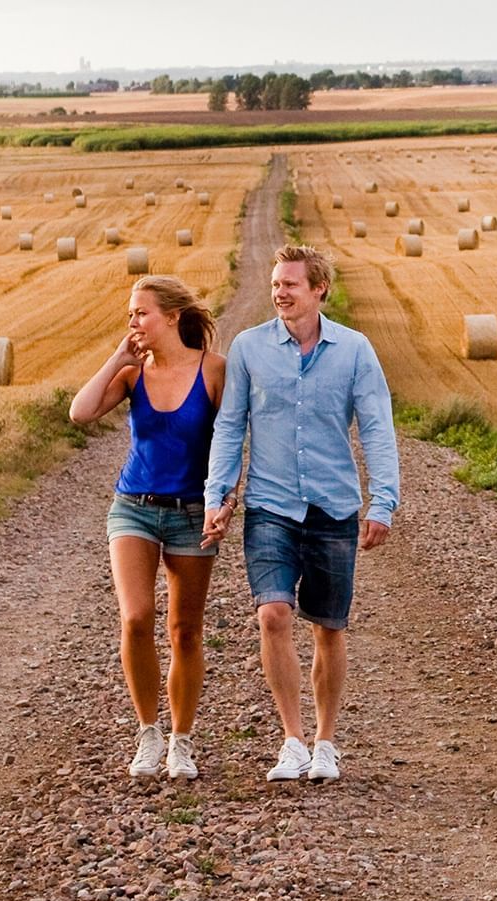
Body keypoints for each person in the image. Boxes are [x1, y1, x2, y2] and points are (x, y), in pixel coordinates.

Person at [202, 245, 399, 784]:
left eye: (290, 284)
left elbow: (378, 429)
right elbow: (230, 426)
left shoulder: (355, 350)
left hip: (334, 506)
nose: (279, 292)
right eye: (275, 284)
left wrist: (383, 500)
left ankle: (326, 741)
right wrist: (217, 495)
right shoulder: (248, 348)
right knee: (273, 614)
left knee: (329, 627)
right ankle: (291, 739)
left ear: (319, 290)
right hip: (270, 505)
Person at [70, 276, 230, 780]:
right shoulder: (133, 374)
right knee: (136, 618)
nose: (133, 322)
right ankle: (148, 732)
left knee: (185, 631)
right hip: (132, 508)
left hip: (189, 513)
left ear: (172, 317)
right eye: (130, 315)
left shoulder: (215, 372)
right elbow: (80, 412)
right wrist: (117, 357)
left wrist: (223, 501)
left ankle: (181, 740)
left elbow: (230, 444)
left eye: (141, 313)